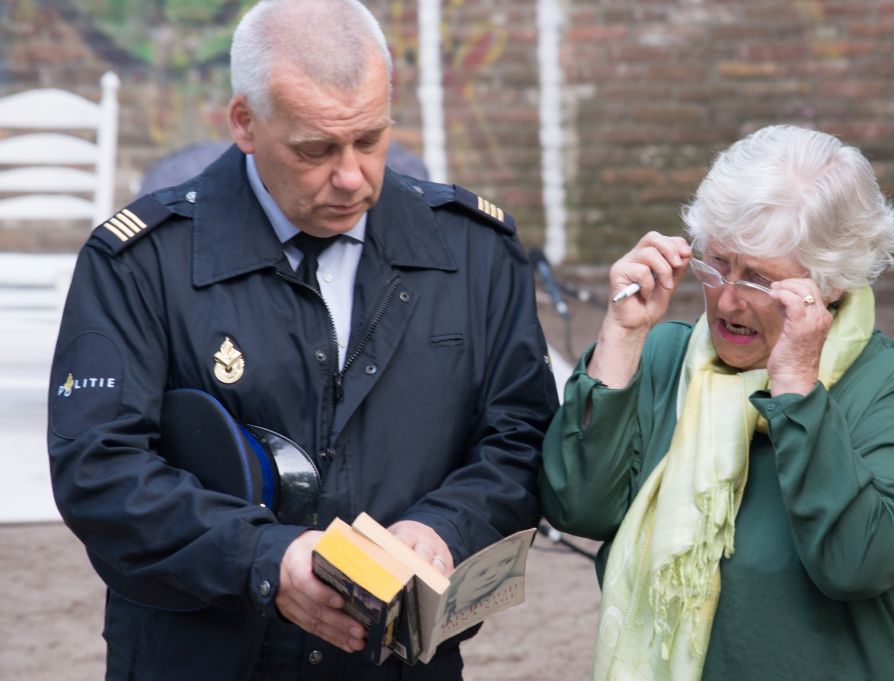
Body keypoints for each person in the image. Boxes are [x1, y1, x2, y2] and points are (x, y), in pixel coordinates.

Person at [47, 1, 558, 679]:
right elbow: (98, 467)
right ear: (245, 123)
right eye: (315, 149)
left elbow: (520, 435)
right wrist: (267, 559)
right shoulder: (141, 262)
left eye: (371, 138)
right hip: (200, 658)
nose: (351, 176)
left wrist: (444, 528)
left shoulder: (473, 252)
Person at [540, 125, 894, 680]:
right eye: (716, 266)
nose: (727, 300)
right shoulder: (665, 358)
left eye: (759, 279)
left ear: (829, 284)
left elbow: (859, 564)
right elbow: (578, 509)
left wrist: (799, 390)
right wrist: (621, 335)